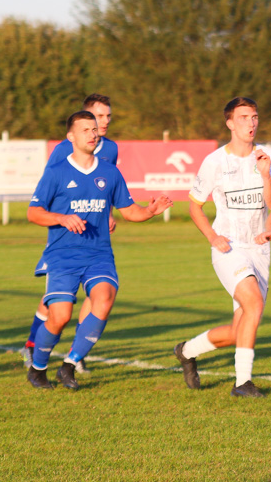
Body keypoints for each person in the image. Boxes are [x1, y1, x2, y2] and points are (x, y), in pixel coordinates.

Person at [26, 111, 172, 390]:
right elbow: (34, 213)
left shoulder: (109, 171)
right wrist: (61, 218)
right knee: (60, 316)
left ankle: (69, 365)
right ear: (71, 136)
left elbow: (129, 210)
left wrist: (151, 210)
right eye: (85, 130)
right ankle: (38, 367)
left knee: (104, 299)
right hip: (62, 255)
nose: (93, 134)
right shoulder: (56, 172)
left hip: (98, 254)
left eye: (95, 129)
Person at [173, 97, 271, 398]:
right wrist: (212, 237)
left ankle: (186, 351)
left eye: (255, 116)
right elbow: (194, 206)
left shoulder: (267, 158)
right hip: (228, 248)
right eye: (244, 117)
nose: (252, 122)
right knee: (255, 305)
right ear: (230, 123)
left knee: (240, 330)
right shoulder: (215, 162)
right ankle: (242, 383)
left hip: (258, 250)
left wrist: (264, 175)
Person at [22, 93, 118, 373]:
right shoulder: (63, 152)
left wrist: (109, 213)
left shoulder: (110, 148)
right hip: (65, 235)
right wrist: (64, 218)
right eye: (99, 117)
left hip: (95, 238)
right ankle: (31, 344)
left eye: (108, 116)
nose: (105, 122)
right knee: (57, 298)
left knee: (97, 290)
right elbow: (52, 193)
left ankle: (78, 351)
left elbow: (104, 185)